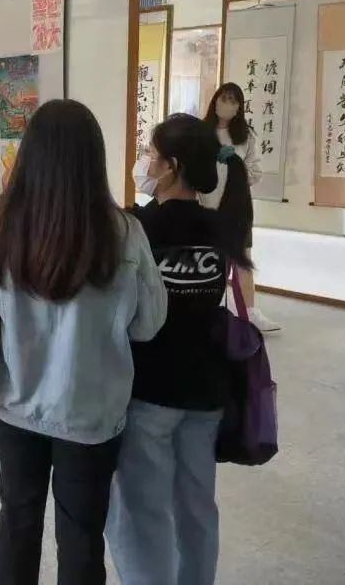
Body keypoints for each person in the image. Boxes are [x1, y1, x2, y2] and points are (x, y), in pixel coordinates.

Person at [0, 99, 167, 585]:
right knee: (82, 535)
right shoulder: (125, 232)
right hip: (91, 414)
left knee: (16, 521)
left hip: (14, 404)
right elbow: (147, 326)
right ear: (93, 159)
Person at [108, 113, 254, 585]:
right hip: (206, 391)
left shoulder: (137, 227)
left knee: (143, 510)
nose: (145, 164)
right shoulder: (219, 228)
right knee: (196, 506)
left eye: (151, 155)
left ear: (171, 166)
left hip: (150, 388)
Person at [201, 82, 280, 332]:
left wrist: (235, 164)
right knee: (210, 258)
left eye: (233, 101)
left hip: (237, 205)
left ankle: (251, 311)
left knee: (242, 257)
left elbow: (256, 173)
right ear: (215, 101)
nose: (227, 104)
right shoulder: (201, 133)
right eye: (224, 98)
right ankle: (207, 308)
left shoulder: (246, 136)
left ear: (239, 107)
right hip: (207, 204)